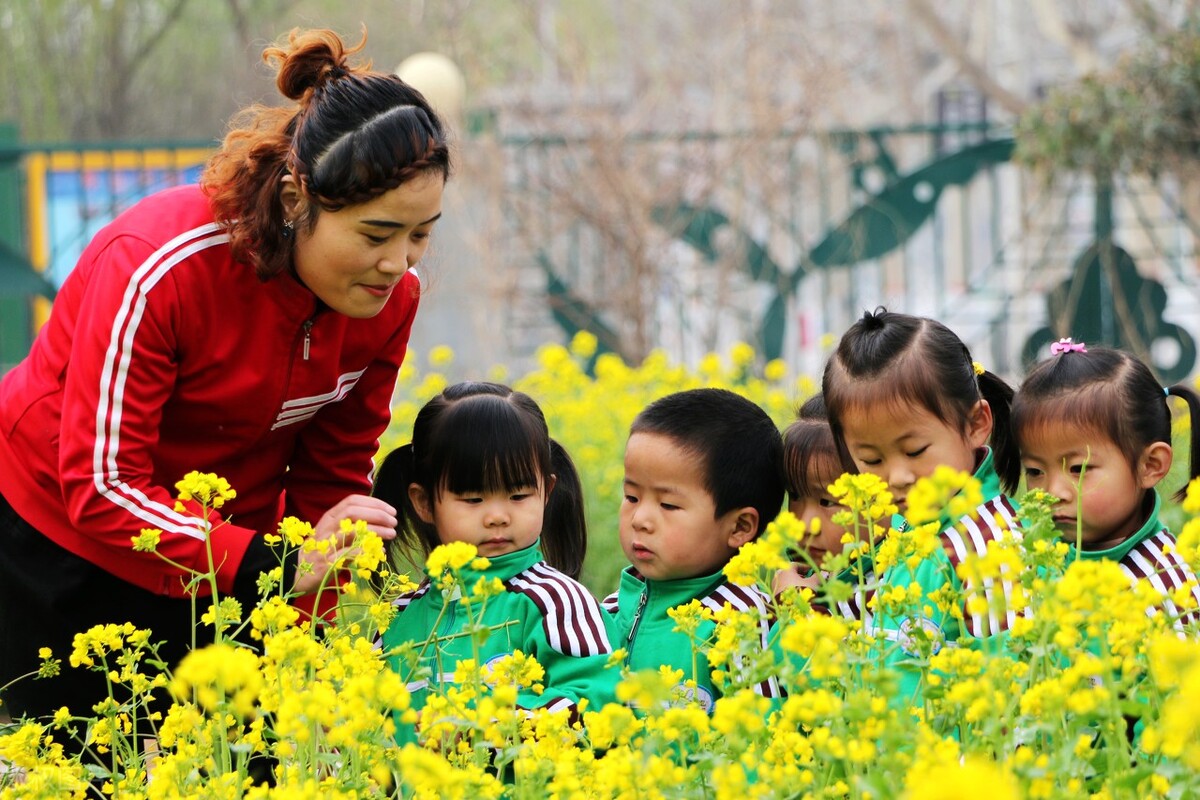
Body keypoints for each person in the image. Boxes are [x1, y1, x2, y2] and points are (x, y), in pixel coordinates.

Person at [0, 28, 451, 723]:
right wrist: (274, 567)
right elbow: (100, 485)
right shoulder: (160, 265)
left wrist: (307, 645)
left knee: (249, 759)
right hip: (60, 542)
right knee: (89, 760)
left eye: (420, 234)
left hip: (233, 555)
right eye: (375, 234)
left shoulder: (390, 299)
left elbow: (332, 481)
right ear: (297, 200)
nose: (399, 263)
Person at [373, 382, 615, 745]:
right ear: (424, 503)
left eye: (518, 495)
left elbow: (597, 700)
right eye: (473, 499)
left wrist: (491, 729)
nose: (497, 516)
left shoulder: (556, 602)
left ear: (546, 493)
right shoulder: (398, 617)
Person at [822, 308, 1023, 703]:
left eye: (914, 450)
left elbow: (1008, 695)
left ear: (976, 424)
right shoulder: (906, 529)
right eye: (871, 459)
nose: (897, 477)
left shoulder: (988, 547)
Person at [602, 388, 785, 712]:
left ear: (739, 527)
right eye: (631, 497)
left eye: (668, 505)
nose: (640, 520)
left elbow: (760, 728)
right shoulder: (611, 610)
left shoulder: (737, 621)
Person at [1012, 339, 1200, 629]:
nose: (1052, 492)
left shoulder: (1166, 590)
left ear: (1150, 465)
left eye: (1078, 469)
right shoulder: (1034, 561)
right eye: (1035, 471)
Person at [774, 394, 877, 624]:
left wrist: (795, 602)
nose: (805, 525)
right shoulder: (807, 571)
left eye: (828, 502)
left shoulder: (879, 592)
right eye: (795, 495)